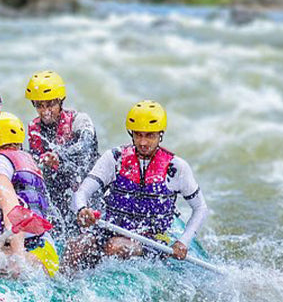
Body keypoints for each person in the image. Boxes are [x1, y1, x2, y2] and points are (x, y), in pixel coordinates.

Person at [68, 100, 207, 268]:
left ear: (160, 135)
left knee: (115, 246)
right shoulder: (115, 158)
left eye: (150, 136)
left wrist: (183, 241)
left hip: (153, 241)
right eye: (138, 135)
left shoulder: (176, 168)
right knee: (75, 247)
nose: (143, 142)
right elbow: (82, 193)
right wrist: (82, 210)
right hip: (112, 229)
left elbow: (200, 208)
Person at [0, 97, 60, 277]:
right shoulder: (29, 162)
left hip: (26, 256)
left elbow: (12, 209)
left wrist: (18, 260)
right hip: (47, 255)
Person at [23, 70, 98, 231]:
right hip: (58, 196)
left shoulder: (80, 120)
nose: (45, 111)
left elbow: (85, 146)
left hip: (86, 190)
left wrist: (59, 155)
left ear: (60, 100)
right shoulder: (34, 128)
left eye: (50, 104)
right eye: (39, 105)